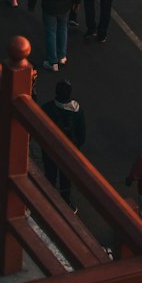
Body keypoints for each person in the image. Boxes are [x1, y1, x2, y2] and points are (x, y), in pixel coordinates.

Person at [41, 80, 86, 209]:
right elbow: (82, 136)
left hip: (50, 149)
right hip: (69, 151)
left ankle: (47, 199)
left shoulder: (47, 108)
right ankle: (65, 201)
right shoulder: (78, 112)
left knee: (50, 174)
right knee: (66, 178)